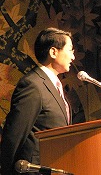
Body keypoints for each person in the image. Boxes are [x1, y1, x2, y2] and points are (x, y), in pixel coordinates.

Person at [0, 28, 75, 175]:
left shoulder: (54, 85)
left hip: (55, 166)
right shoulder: (33, 85)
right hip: (34, 170)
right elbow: (15, 134)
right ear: (53, 52)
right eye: (71, 50)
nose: (73, 57)